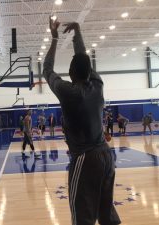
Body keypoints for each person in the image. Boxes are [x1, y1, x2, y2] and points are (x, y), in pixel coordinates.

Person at [43, 18, 120, 225]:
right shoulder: (98, 84)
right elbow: (83, 58)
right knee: (106, 213)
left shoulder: (67, 92)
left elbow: (47, 70)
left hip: (85, 159)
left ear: (70, 73)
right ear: (89, 72)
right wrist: (78, 32)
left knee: (82, 216)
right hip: (106, 155)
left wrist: (55, 39)